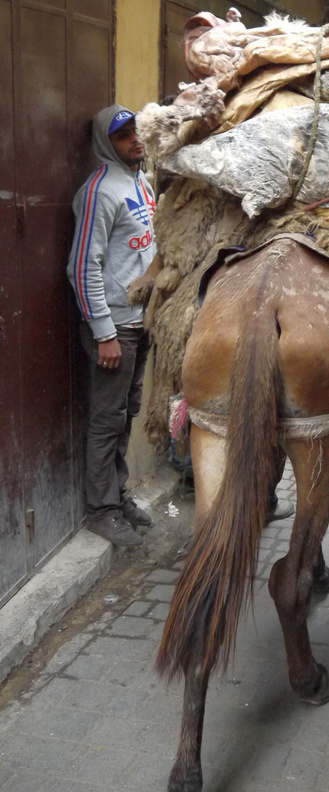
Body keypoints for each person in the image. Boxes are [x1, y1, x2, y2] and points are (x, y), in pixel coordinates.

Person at [67, 105, 156, 548]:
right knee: (106, 421)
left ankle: (116, 496)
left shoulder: (141, 181)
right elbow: (83, 268)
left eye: (137, 131)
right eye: (124, 136)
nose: (136, 140)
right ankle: (100, 510)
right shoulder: (100, 192)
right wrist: (103, 332)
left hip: (141, 324)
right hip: (115, 330)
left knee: (126, 415)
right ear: (107, 142)